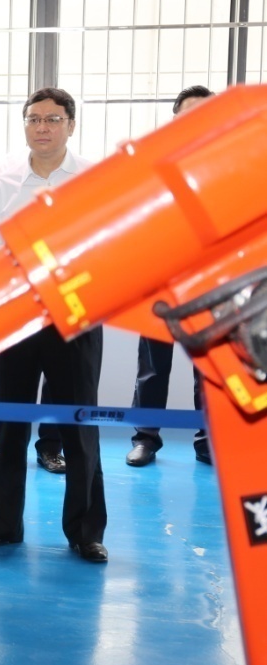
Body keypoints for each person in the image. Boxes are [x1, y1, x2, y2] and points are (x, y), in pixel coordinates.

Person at [0, 87, 108, 563]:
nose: (43, 128)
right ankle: (3, 522)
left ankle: (86, 531)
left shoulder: (93, 180)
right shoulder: (4, 184)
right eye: (34, 119)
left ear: (71, 126)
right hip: (17, 318)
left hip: (75, 318)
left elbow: (105, 248)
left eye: (53, 119)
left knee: (79, 428)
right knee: (10, 427)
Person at [126, 85, 216, 467]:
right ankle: (145, 438)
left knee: (210, 368)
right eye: (187, 113)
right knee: (152, 368)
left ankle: (209, 441)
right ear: (174, 120)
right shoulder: (152, 166)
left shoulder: (226, 162)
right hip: (161, 279)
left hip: (211, 282)